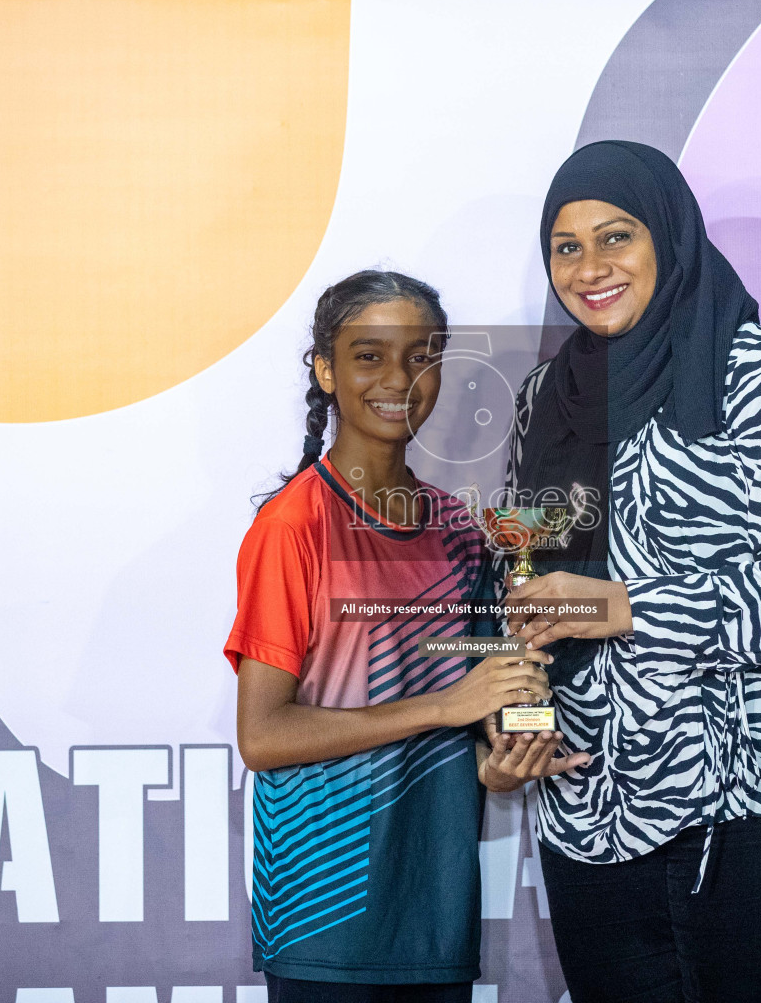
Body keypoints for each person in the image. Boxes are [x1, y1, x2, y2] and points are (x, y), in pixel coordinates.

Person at [501, 142, 761, 1003]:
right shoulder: (545, 398)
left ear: (669, 238)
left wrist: (627, 607)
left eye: (615, 237)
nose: (590, 268)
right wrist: (516, 720)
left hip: (756, 810)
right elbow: (518, 588)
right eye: (567, 247)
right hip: (590, 814)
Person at [224, 269, 587, 1003]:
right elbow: (263, 735)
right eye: (370, 355)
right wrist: (444, 705)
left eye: (422, 356)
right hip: (324, 921)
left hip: (436, 917)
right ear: (326, 368)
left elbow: (483, 734)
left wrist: (509, 762)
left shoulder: (461, 530)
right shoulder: (294, 526)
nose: (399, 378)